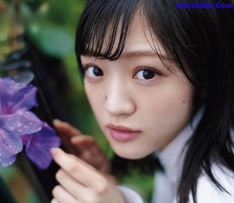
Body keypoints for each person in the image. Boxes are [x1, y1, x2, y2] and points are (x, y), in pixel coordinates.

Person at [50, 0, 234, 202]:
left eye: (147, 73)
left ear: (207, 74)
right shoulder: (186, 151)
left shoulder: (216, 192)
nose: (114, 106)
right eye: (95, 70)